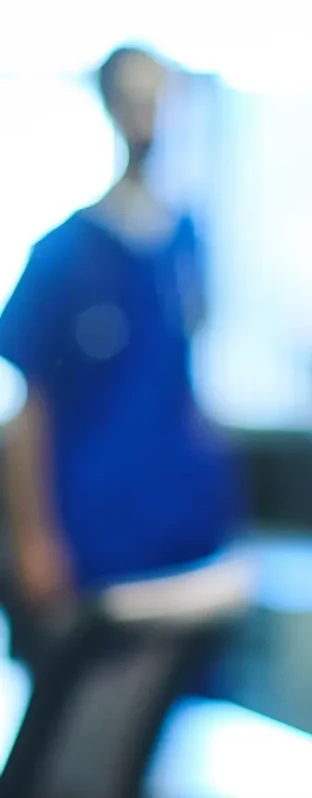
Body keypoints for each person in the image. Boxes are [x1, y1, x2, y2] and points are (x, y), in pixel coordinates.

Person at [0, 46, 239, 655]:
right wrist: (34, 538)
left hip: (182, 521)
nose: (149, 117)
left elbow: (185, 376)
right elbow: (31, 410)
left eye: (160, 100)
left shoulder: (185, 239)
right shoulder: (62, 256)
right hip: (94, 530)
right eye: (135, 101)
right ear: (109, 107)